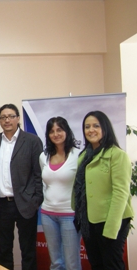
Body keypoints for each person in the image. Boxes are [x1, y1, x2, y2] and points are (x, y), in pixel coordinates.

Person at [72, 111, 134, 270]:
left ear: (105, 129)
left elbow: (121, 193)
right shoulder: (84, 156)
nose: (90, 130)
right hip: (89, 221)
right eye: (87, 127)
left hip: (111, 220)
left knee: (111, 265)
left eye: (96, 126)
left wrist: (111, 228)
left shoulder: (117, 155)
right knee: (96, 264)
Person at [0, 104, 43, 270]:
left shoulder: (32, 141)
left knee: (28, 249)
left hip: (26, 203)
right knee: (4, 250)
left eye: (11, 116)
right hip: (2, 204)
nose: (7, 120)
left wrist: (36, 199)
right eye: (3, 117)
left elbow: (38, 173)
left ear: (18, 118)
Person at [39, 117, 81, 270]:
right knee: (56, 262)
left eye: (59, 130)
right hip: (47, 214)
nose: (56, 134)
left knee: (72, 263)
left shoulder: (78, 155)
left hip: (70, 215)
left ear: (66, 131)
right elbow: (44, 184)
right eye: (52, 131)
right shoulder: (44, 156)